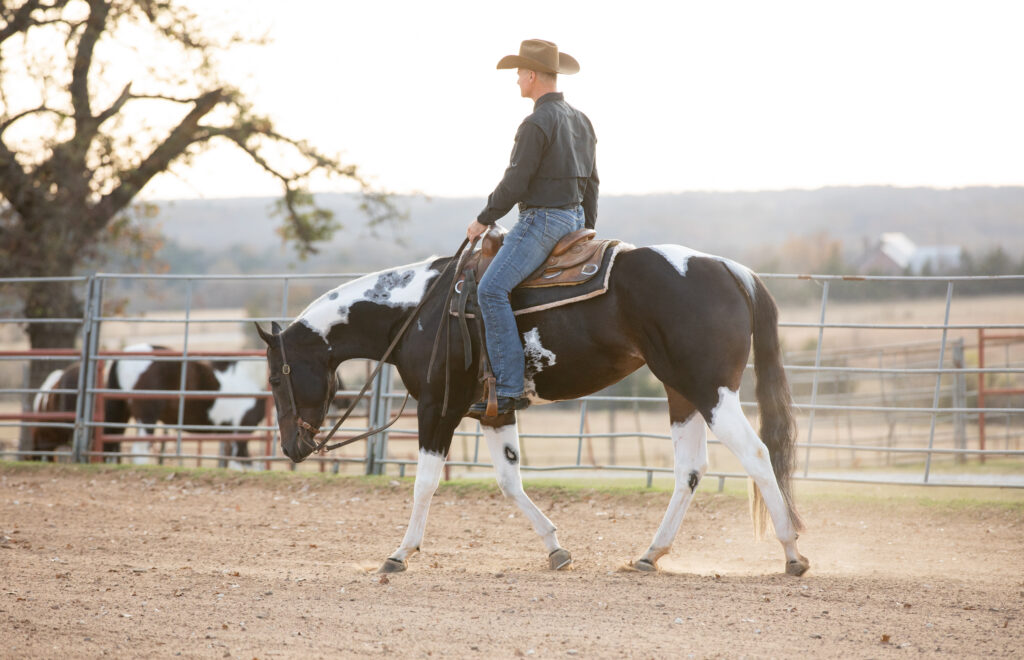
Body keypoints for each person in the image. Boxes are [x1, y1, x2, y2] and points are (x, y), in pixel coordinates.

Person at [466, 39, 599, 417]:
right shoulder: (581, 120)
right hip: (573, 219)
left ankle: (508, 389)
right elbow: (592, 182)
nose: (516, 82)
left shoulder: (536, 122)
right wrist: (585, 230)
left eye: (519, 75)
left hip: (541, 220)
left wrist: (484, 218)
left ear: (531, 75)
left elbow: (515, 183)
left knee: (491, 289)